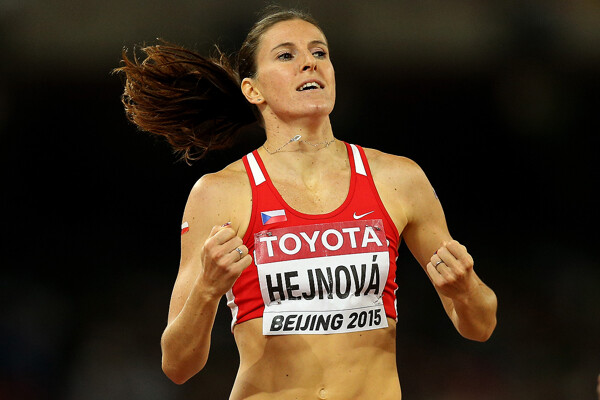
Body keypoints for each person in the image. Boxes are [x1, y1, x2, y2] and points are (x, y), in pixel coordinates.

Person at [115, 7, 497, 399]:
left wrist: (465, 287)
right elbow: (177, 365)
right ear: (253, 90)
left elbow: (481, 326)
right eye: (286, 55)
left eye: (319, 53)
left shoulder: (398, 179)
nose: (310, 63)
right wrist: (207, 289)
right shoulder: (221, 193)